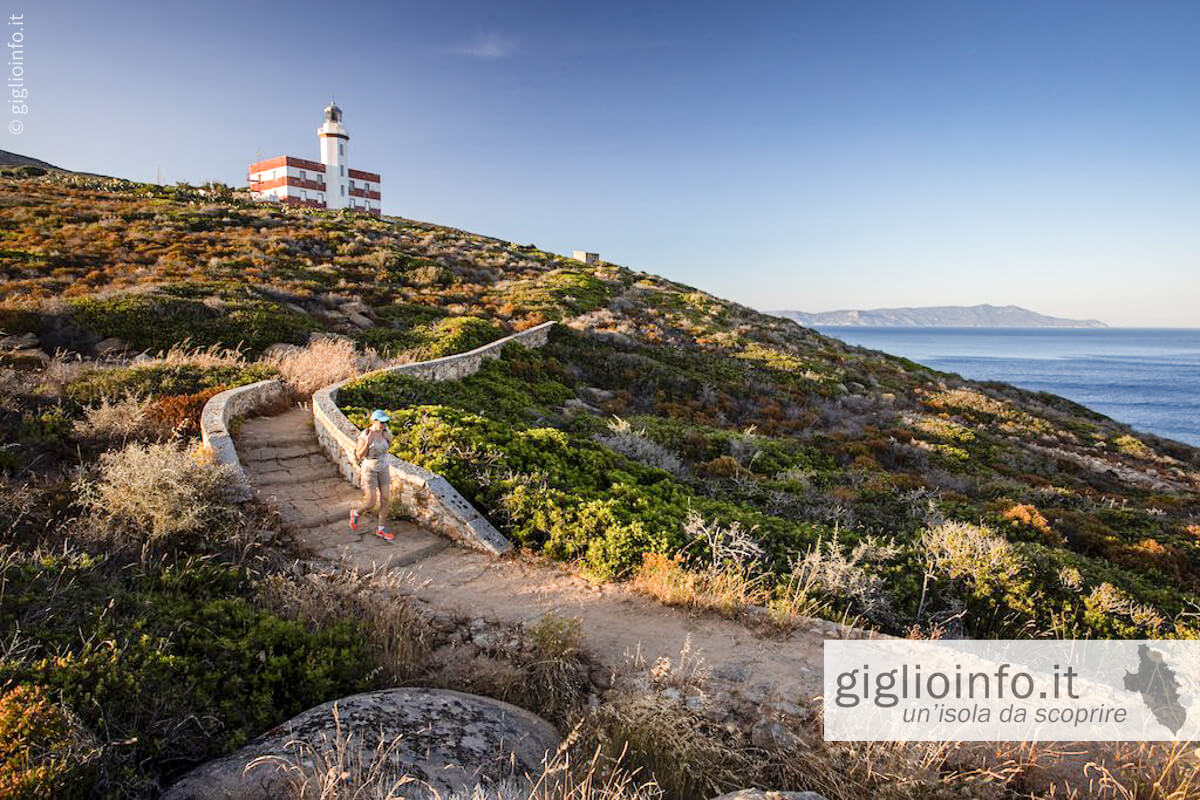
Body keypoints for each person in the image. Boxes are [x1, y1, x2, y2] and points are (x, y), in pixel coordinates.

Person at [350, 409, 394, 541]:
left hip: (383, 468)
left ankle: (380, 528)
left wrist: (388, 439)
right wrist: (368, 443)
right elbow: (359, 455)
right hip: (370, 469)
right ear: (374, 421)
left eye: (386, 422)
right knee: (371, 502)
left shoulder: (387, 433)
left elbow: (387, 448)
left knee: (385, 498)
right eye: (381, 422)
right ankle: (356, 513)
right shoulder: (365, 435)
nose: (384, 424)